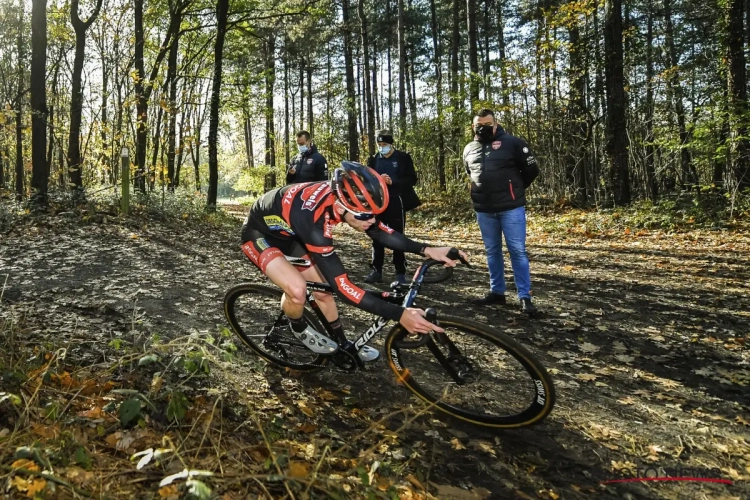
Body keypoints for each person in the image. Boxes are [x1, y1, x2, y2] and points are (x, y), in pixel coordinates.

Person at [240, 161, 467, 361]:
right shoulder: (313, 221)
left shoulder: (345, 199)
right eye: (364, 216)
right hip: (260, 235)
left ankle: (342, 344)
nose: (371, 221)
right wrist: (399, 314)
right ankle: (296, 326)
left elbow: (379, 231)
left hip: (291, 233)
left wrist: (427, 249)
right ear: (341, 206)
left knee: (322, 292)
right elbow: (344, 288)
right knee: (298, 290)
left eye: (373, 214)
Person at [463, 109, 539, 315]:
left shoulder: (513, 143)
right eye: (479, 124)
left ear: (495, 124)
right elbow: (470, 173)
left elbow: (532, 170)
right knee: (492, 251)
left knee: (517, 251)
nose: (483, 127)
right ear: (473, 126)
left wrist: (514, 189)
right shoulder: (469, 148)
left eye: (487, 124)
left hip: (511, 208)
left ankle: (525, 297)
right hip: (484, 210)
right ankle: (497, 292)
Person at [364, 130, 421, 285]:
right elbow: (367, 181)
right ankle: (376, 270)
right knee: (376, 235)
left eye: (385, 145)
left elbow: (412, 179)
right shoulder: (374, 159)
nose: (382, 148)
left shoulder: (403, 158)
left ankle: (400, 273)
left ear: (391, 144)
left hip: (397, 201)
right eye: (379, 145)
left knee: (397, 236)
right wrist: (378, 181)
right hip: (379, 203)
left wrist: (393, 181)